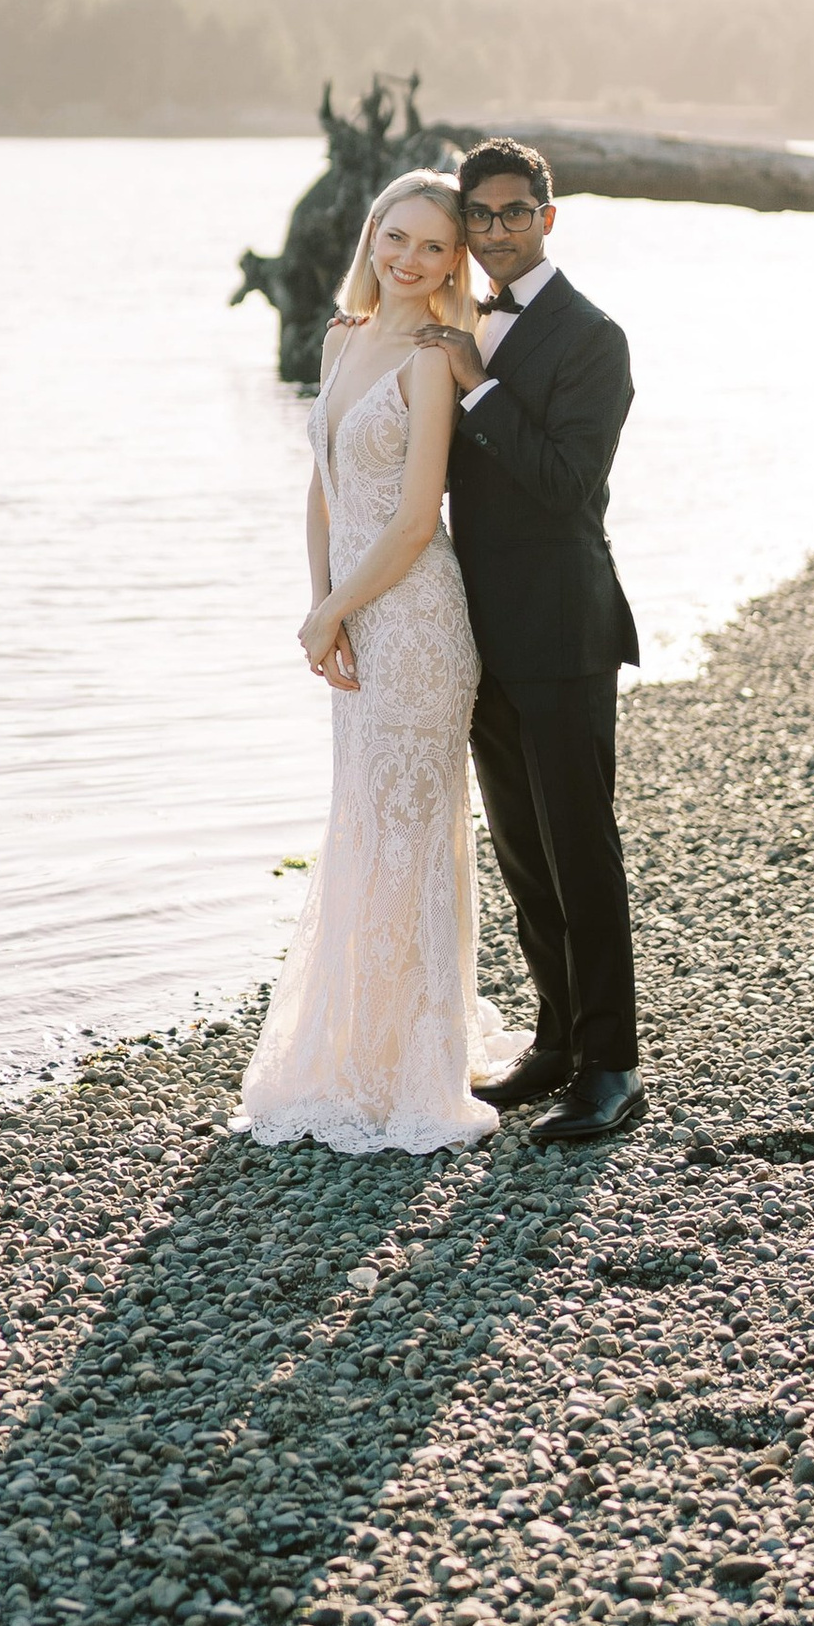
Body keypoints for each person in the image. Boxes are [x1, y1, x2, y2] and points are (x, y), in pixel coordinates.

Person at [237, 171, 529, 1155]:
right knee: (361, 820)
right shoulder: (339, 336)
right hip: (356, 615)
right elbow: (321, 489)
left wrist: (337, 610)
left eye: (433, 247)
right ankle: (354, 1046)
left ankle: (412, 1063)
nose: (409, 259)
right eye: (395, 237)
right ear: (371, 237)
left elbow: (413, 522)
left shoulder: (436, 357)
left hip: (416, 619)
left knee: (409, 832)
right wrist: (320, 609)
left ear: (454, 263)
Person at [436, 136, 646, 1147]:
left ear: (548, 218)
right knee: (522, 851)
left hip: (563, 629)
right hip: (478, 633)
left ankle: (612, 1064)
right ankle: (557, 1038)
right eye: (479, 216)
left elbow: (565, 482)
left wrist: (477, 386)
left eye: (515, 212)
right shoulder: (464, 320)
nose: (496, 232)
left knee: (580, 847)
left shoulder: (591, 338)